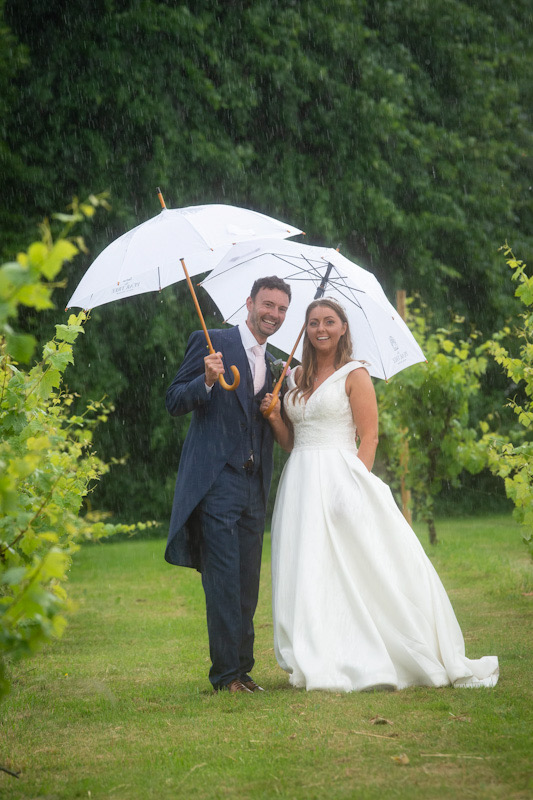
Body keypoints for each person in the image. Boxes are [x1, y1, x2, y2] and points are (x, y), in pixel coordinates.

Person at [260, 298, 499, 692]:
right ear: (304, 329)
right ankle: (316, 650)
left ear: (343, 329)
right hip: (299, 480)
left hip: (341, 475)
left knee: (358, 566)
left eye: (330, 322)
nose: (321, 328)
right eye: (314, 322)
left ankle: (372, 649)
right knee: (307, 565)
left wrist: (354, 485)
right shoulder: (295, 377)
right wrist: (272, 416)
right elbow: (289, 442)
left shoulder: (356, 374)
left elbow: (369, 435)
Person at [165, 276, 292, 694]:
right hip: (217, 483)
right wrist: (204, 379)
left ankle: (243, 670)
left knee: (246, 583)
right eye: (267, 305)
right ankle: (224, 677)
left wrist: (274, 409)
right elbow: (174, 401)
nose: (273, 314)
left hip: (255, 487)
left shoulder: (275, 364)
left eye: (281, 309)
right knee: (222, 580)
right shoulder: (210, 341)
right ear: (249, 302)